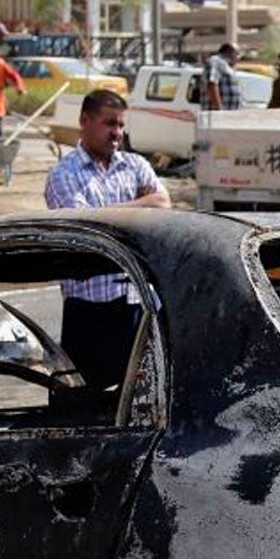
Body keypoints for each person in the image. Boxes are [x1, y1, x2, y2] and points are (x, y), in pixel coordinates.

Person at [43, 89, 171, 408]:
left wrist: (110, 211)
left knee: (143, 408)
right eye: (109, 123)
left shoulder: (135, 165)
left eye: (121, 125)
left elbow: (164, 204)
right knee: (80, 411)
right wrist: (138, 209)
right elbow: (89, 227)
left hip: (136, 309)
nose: (116, 132)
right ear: (85, 121)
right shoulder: (64, 174)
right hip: (88, 313)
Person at [202, 41, 241, 112]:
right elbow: (212, 84)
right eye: (237, 54)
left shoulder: (227, 66)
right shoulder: (216, 61)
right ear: (229, 51)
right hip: (216, 115)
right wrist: (219, 110)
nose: (238, 58)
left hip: (228, 114)